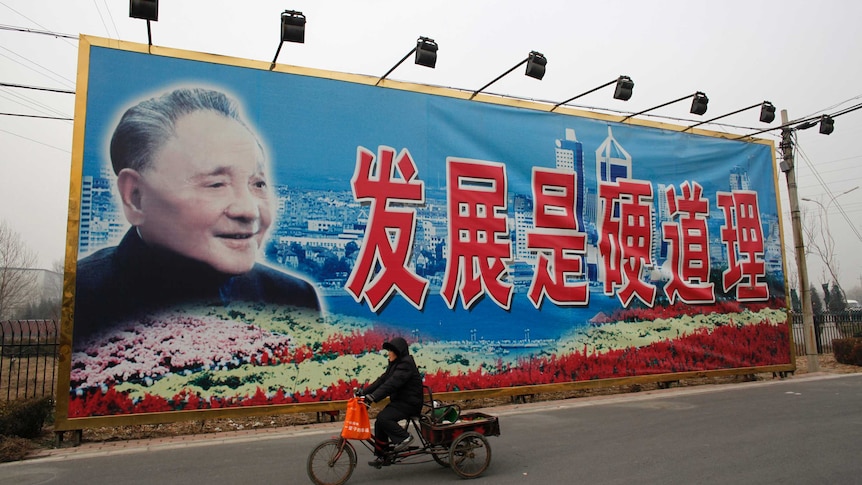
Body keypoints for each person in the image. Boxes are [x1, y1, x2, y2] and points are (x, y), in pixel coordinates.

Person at [73, 87, 320, 343]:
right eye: (216, 184)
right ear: (136, 196)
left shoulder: (290, 299)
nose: (249, 210)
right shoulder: (82, 297)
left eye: (257, 184)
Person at [359, 336, 424, 467]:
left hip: (410, 403)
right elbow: (383, 380)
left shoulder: (405, 365)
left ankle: (405, 437)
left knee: (384, 418)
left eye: (390, 351)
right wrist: (364, 393)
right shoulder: (395, 364)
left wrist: (373, 398)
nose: (388, 353)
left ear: (398, 352)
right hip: (401, 401)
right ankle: (383, 455)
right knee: (379, 422)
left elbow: (391, 385)